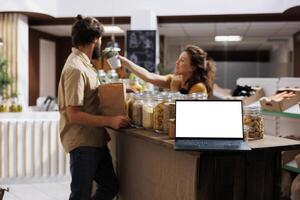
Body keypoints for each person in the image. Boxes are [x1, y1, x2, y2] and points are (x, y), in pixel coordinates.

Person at [58, 15, 129, 200]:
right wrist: (111, 121)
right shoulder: (76, 68)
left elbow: (90, 98)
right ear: (94, 39)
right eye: (101, 40)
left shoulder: (85, 64)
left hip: (95, 140)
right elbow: (74, 115)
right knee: (80, 195)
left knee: (110, 186)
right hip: (83, 142)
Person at [119, 45, 216, 97]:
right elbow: (148, 76)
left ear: (193, 67)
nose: (177, 62)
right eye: (178, 59)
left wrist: (174, 90)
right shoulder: (174, 79)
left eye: (182, 60)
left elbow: (184, 115)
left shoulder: (199, 87)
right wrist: (126, 62)